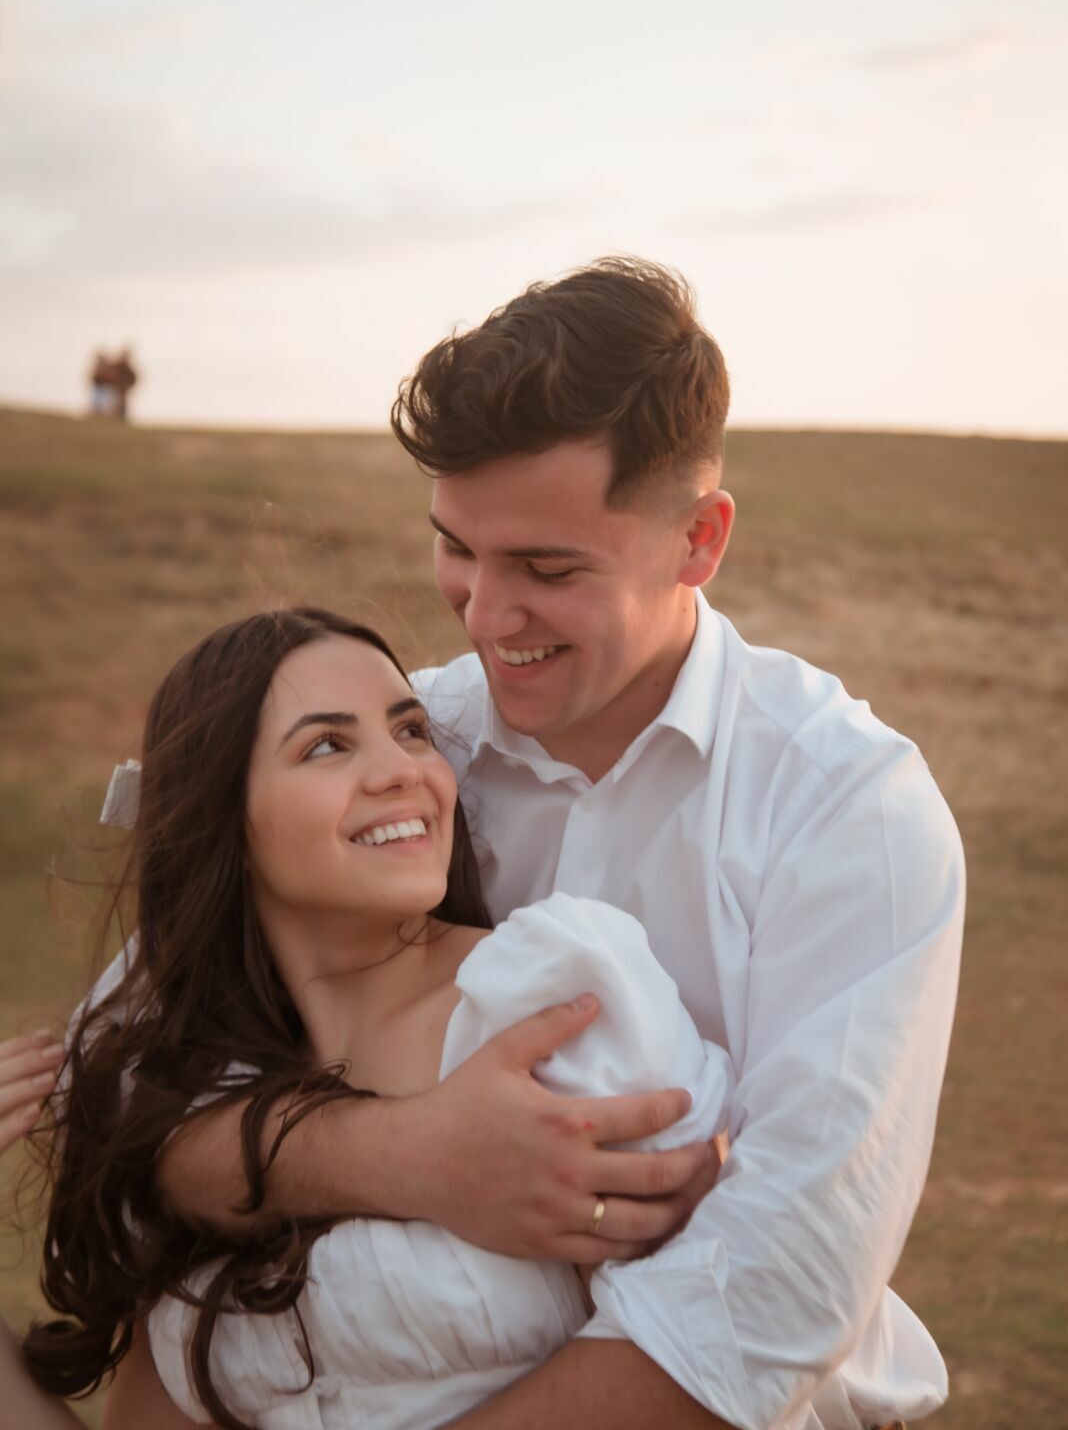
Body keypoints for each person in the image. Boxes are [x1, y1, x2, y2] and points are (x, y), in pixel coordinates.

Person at [151, 257, 966, 1430]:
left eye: (545, 568)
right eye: (457, 548)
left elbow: (777, 1291)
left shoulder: (849, 807)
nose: (483, 615)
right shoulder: (407, 756)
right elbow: (152, 1103)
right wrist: (405, 1154)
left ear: (698, 540)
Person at [5, 606, 731, 1430]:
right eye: (326, 745)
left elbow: (709, 1354)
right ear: (226, 824)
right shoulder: (201, 1096)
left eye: (412, 731)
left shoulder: (548, 1001)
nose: (401, 772)